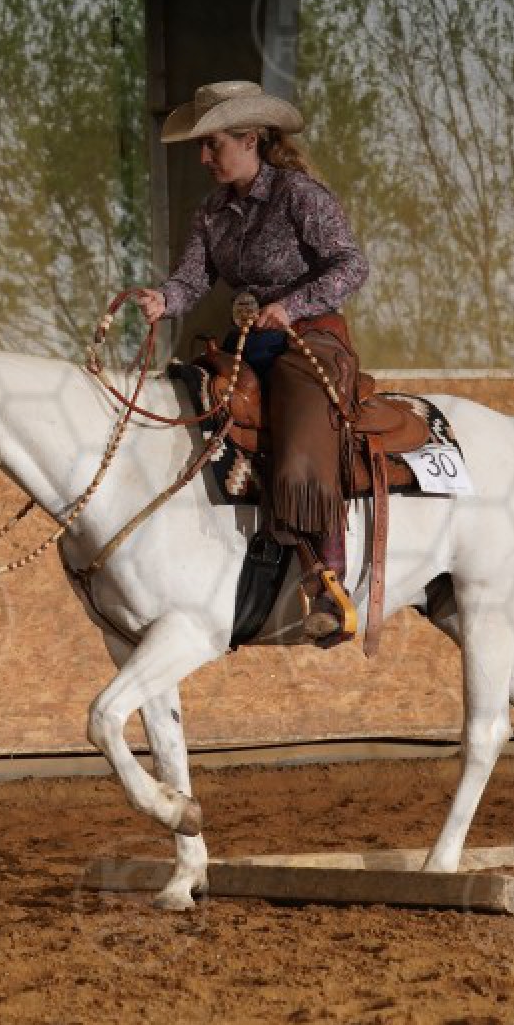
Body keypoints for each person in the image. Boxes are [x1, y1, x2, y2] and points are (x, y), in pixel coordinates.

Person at [132, 80, 370, 641]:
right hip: (246, 344)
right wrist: (164, 300)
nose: (204, 157)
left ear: (250, 140)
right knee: (189, 407)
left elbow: (351, 265)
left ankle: (329, 583)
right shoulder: (212, 211)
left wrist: (292, 305)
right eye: (202, 145)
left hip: (310, 340)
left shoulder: (300, 195)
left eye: (213, 144)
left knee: (301, 430)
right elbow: (192, 279)